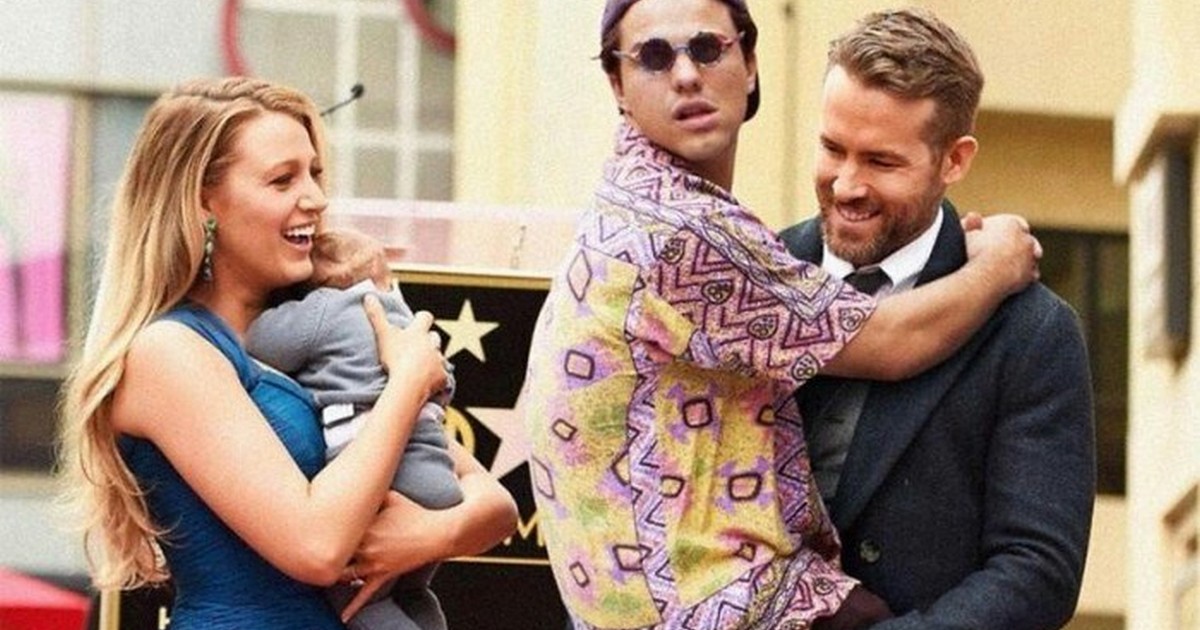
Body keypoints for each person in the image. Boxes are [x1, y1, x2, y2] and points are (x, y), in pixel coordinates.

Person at [520, 1, 1043, 628]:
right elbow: (890, 341)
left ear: (749, 63)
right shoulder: (680, 230)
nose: (685, 75)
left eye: (707, 48)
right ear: (617, 84)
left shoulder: (640, 207)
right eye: (654, 57)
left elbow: (1037, 568)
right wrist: (1000, 264)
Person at [57, 76, 517, 630]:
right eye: (282, 180)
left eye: (315, 174)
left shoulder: (322, 332)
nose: (316, 199)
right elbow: (316, 547)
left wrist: (428, 534)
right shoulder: (168, 351)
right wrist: (407, 383)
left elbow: (496, 506)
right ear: (203, 201)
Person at [778, 8, 1095, 628]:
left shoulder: (1032, 333)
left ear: (954, 161)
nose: (846, 185)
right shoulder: (757, 273)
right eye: (832, 148)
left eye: (881, 162)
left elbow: (1036, 571)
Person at [246, 228, 461, 630]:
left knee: (359, 602)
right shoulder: (405, 323)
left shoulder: (326, 308)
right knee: (412, 591)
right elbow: (443, 380)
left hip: (386, 489)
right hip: (437, 480)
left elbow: (259, 341)